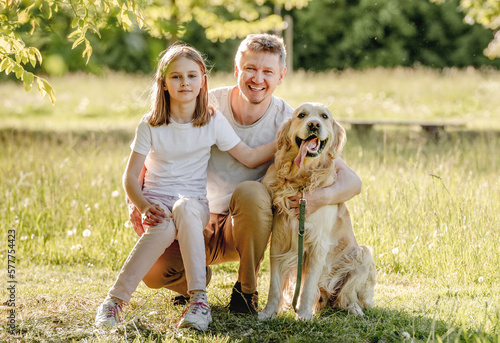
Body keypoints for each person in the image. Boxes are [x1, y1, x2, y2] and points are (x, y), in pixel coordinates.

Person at [129, 33, 362, 316]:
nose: (258, 79)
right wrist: (137, 203)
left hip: (244, 228)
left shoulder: (292, 121)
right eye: (250, 69)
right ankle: (192, 279)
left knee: (252, 192)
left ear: (281, 76)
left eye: (267, 72)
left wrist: (318, 198)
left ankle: (245, 290)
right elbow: (158, 149)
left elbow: (352, 180)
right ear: (237, 70)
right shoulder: (207, 104)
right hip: (191, 217)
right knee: (153, 273)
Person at [94, 43, 277, 331]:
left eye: (192, 76)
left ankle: (199, 304)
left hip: (193, 204)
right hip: (158, 208)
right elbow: (129, 178)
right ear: (164, 83)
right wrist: (142, 206)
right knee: (166, 226)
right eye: (176, 77)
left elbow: (250, 157)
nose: (185, 82)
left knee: (185, 207)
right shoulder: (150, 125)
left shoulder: (211, 120)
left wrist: (288, 138)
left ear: (203, 80)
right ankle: (114, 302)